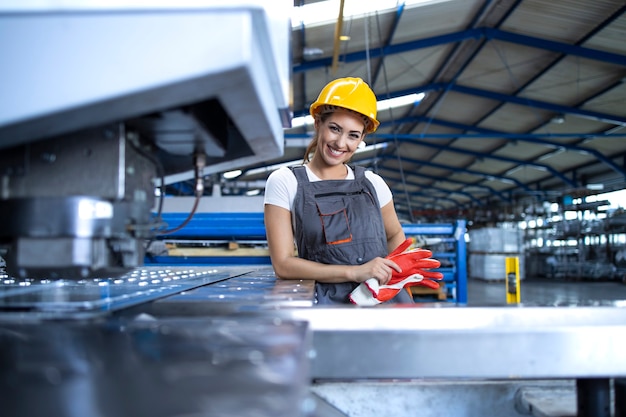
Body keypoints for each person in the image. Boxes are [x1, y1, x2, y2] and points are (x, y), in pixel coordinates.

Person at [263, 77, 413, 305]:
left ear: (362, 138)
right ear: (317, 124)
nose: (341, 143)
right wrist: (355, 272)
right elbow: (283, 265)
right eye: (335, 129)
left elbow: (394, 236)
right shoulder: (285, 181)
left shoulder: (373, 183)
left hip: (383, 300)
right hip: (328, 307)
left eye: (353, 135)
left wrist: (402, 286)